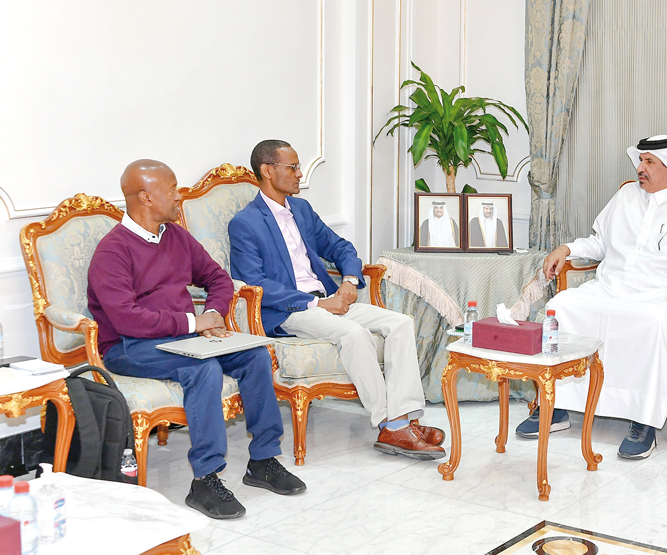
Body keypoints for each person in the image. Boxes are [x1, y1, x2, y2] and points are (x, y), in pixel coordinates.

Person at [88, 159, 305, 521]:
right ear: (145, 197)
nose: (179, 195)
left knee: (254, 355)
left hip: (185, 338)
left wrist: (215, 315)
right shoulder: (112, 251)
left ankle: (264, 461)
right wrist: (193, 322)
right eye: (171, 189)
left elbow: (218, 279)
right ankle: (205, 479)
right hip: (129, 347)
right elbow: (127, 318)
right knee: (202, 370)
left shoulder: (175, 236)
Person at [515, 135, 667, 459]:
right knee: (561, 306)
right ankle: (556, 406)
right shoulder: (626, 196)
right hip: (613, 288)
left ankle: (643, 420)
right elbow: (598, 243)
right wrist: (567, 249)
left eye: (650, 162)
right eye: (641, 160)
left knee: (656, 322)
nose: (641, 168)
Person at [229, 139, 445, 461]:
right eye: (293, 167)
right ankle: (389, 424)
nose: (300, 174)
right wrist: (316, 304)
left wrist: (348, 281)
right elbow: (255, 284)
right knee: (353, 334)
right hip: (290, 311)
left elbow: (341, 247)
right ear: (268, 170)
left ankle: (406, 417)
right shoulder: (245, 223)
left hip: (331, 299)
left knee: (401, 323)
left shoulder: (301, 209)